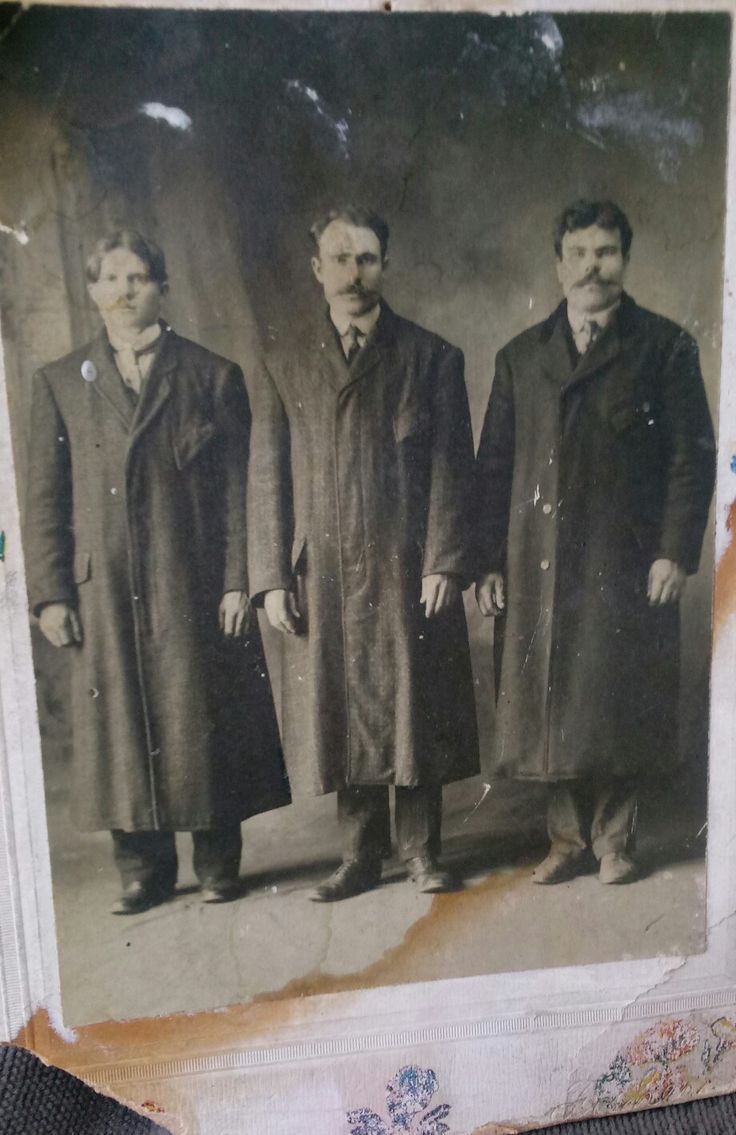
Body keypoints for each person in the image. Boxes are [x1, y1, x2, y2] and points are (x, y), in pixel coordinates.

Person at [25, 229, 290, 914]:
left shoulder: (211, 375)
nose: (123, 291)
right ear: (92, 292)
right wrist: (51, 592)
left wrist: (238, 577)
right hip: (105, 587)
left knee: (201, 711)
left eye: (137, 277)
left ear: (161, 287)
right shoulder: (59, 383)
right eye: (110, 279)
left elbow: (239, 488)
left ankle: (217, 859)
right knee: (121, 720)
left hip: (192, 576)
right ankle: (141, 868)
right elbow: (44, 499)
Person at [475, 199, 716, 886]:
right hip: (541, 562)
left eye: (605, 253)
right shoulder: (520, 358)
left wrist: (674, 550)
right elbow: (493, 468)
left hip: (627, 558)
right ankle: (566, 839)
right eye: (578, 254)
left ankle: (616, 840)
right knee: (550, 698)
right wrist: (489, 561)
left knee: (617, 694)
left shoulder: (665, 347)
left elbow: (690, 457)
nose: (592, 267)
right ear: (558, 265)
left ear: (625, 260)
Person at [247, 205, 479, 901]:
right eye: (340, 258)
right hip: (328, 571)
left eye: (367, 258)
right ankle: (358, 854)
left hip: (407, 567)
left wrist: (444, 559)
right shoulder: (284, 363)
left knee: (414, 705)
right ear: (317, 269)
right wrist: (269, 578)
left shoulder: (431, 357)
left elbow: (450, 467)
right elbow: (267, 474)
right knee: (342, 708)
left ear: (386, 265)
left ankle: (421, 851)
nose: (354, 273)